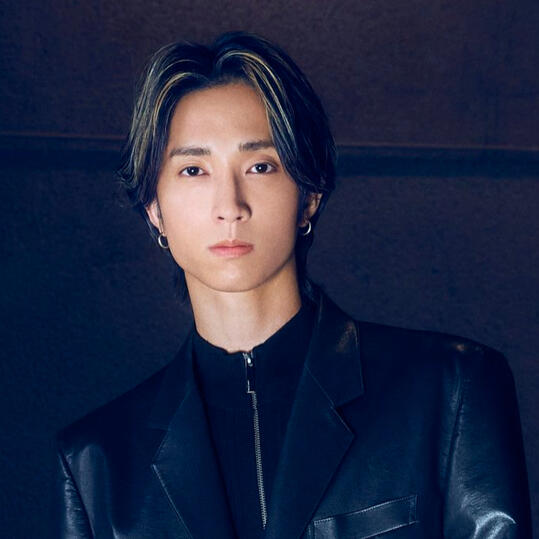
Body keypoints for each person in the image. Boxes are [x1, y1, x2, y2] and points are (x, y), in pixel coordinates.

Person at [55, 32, 532, 538]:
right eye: (193, 170)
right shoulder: (96, 462)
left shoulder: (450, 389)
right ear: (155, 209)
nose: (229, 206)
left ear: (308, 195)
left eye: (260, 166)